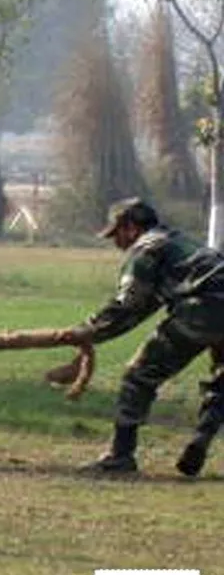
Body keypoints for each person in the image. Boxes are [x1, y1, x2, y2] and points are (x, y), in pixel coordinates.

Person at [55, 198, 224, 476]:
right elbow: (149, 304)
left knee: (139, 374)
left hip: (202, 310)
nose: (115, 243)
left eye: (116, 234)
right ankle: (202, 438)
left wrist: (86, 331)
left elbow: (129, 305)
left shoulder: (147, 249)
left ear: (131, 227)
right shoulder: (178, 241)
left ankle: (120, 456)